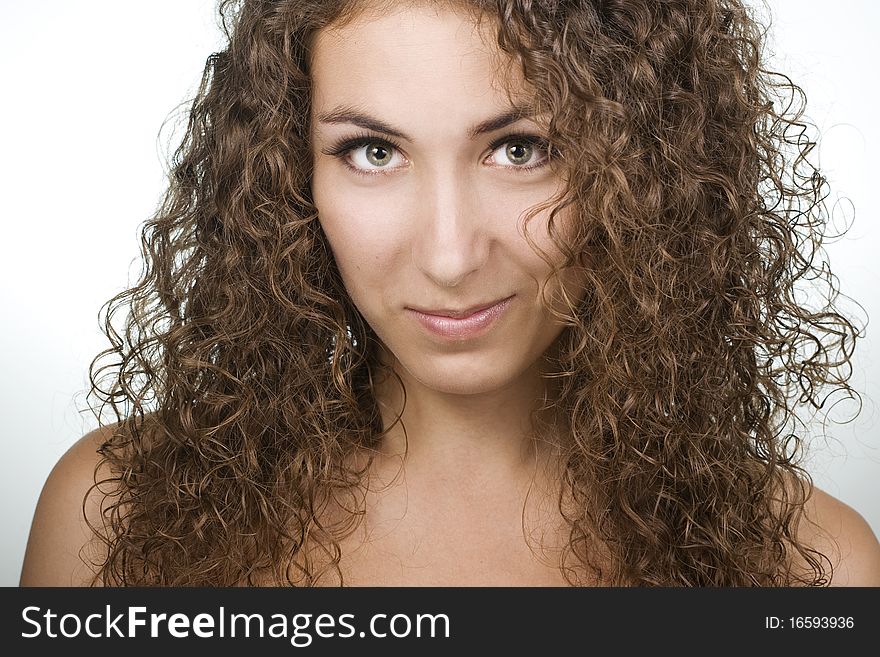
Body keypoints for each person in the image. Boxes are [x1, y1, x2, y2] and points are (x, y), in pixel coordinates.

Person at [19, 0, 880, 587]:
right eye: (373, 151)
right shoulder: (115, 519)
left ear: (646, 166)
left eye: (521, 148)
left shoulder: (810, 568)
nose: (448, 253)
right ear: (289, 176)